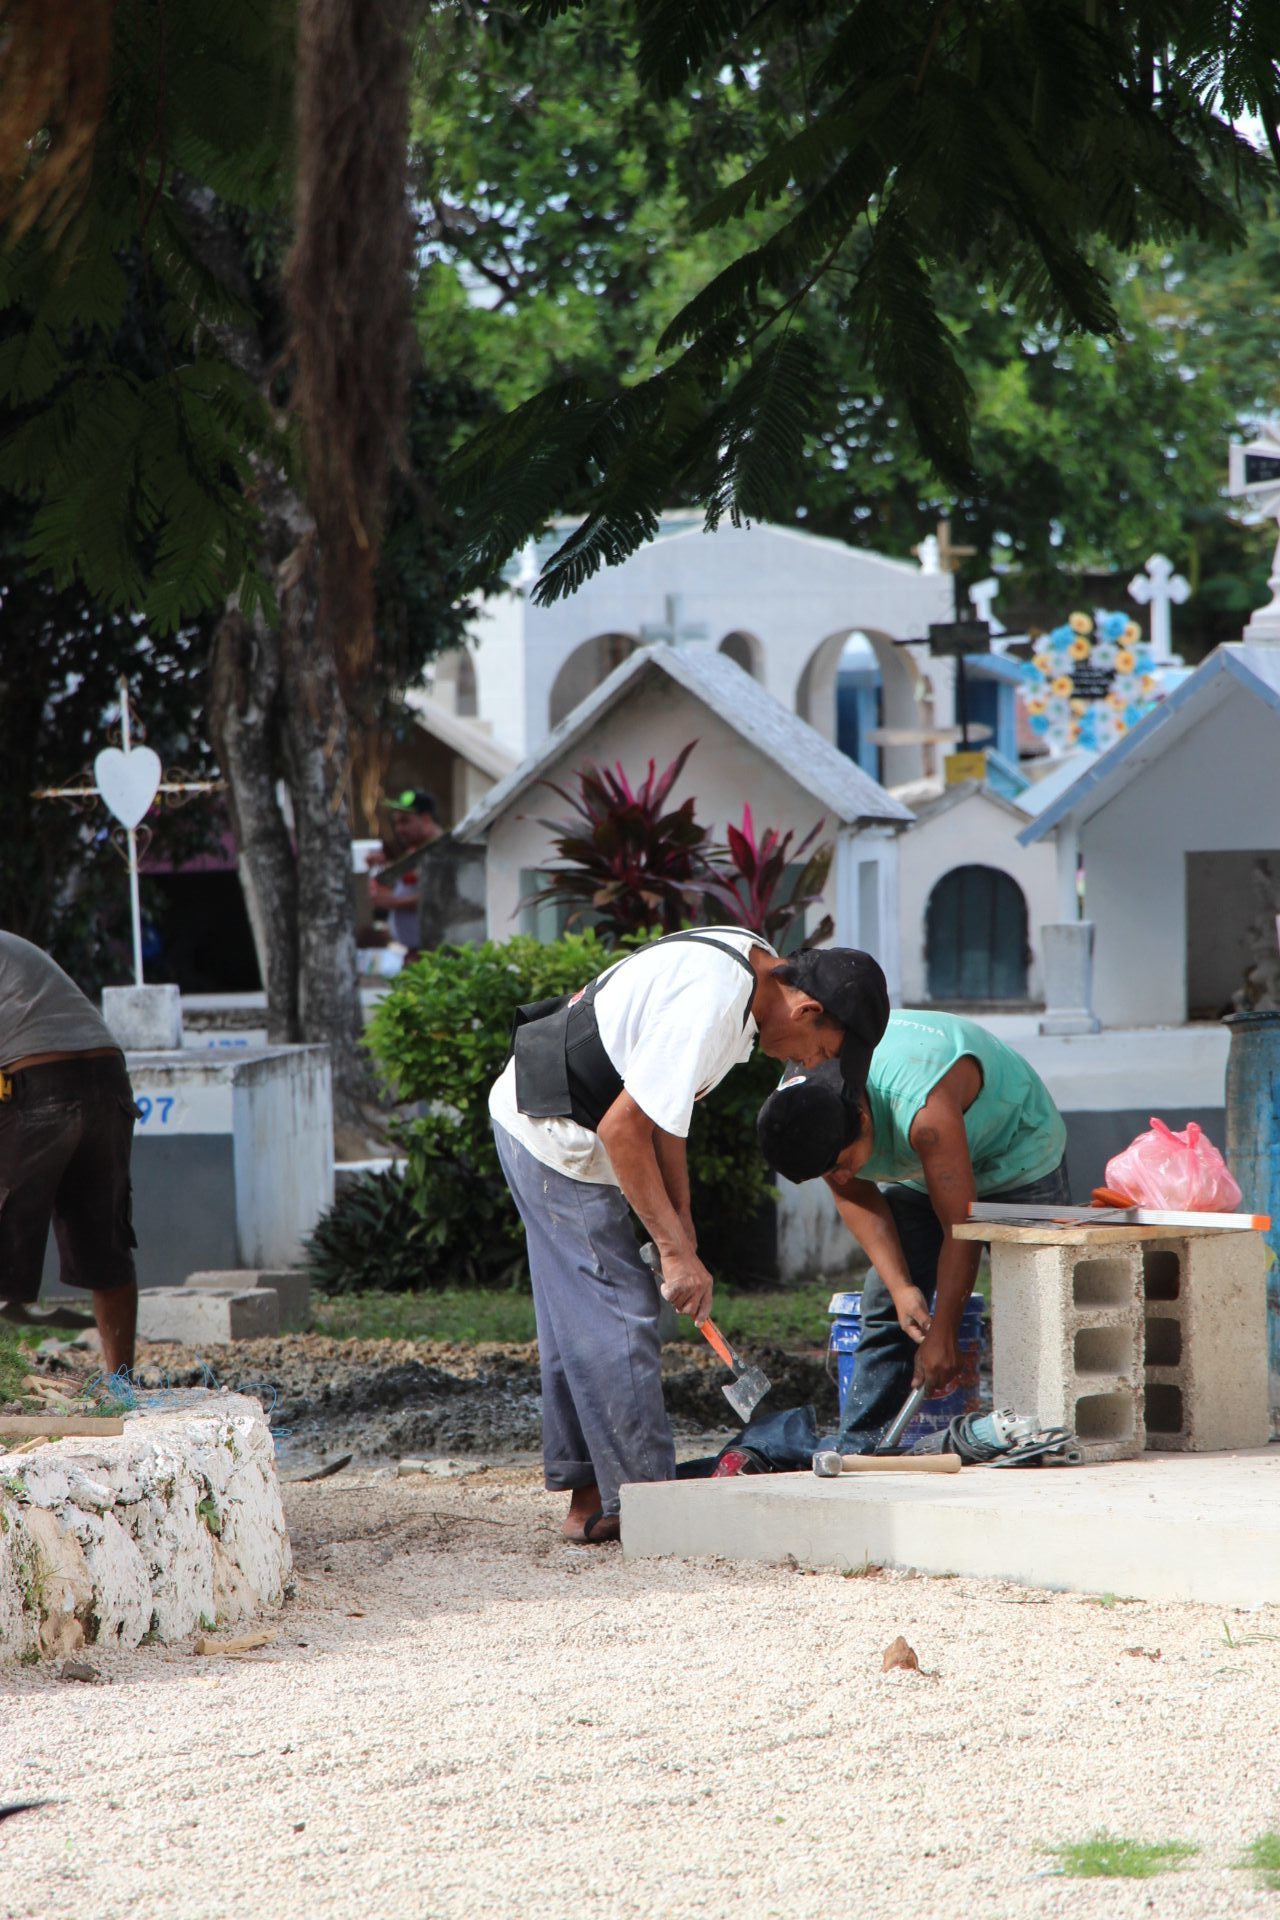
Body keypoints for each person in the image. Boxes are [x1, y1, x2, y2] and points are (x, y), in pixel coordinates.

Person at [489, 936, 890, 1542]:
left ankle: (591, 1503)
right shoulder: (714, 1003)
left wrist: (681, 1223)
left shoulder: (754, 974)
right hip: (552, 1128)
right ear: (807, 1010)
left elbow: (665, 1113)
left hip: (546, 1108)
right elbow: (624, 1129)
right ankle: (650, 1508)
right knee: (617, 1311)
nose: (810, 1066)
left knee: (580, 1315)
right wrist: (674, 1255)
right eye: (823, 1052)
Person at [756, 1009, 1069, 1450]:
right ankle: (862, 1447)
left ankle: (1046, 1430)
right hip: (928, 1169)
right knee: (885, 1300)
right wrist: (903, 1288)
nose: (841, 1177)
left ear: (864, 1121)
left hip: (1016, 1149)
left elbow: (961, 1227)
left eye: (842, 1164)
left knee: (1038, 1304)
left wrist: (944, 1333)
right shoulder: (804, 1108)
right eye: (829, 1172)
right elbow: (852, 1194)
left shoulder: (922, 1113)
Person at [0, 932, 142, 1375]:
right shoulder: (13, 949)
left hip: (34, 1081)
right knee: (106, 1247)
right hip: (109, 1079)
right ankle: (121, 1383)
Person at [367, 789, 443, 955]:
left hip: (434, 954)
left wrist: (394, 902)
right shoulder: (413, 853)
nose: (399, 829)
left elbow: (440, 897)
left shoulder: (442, 853)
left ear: (426, 819)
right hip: (411, 953)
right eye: (396, 823)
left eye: (405, 821)